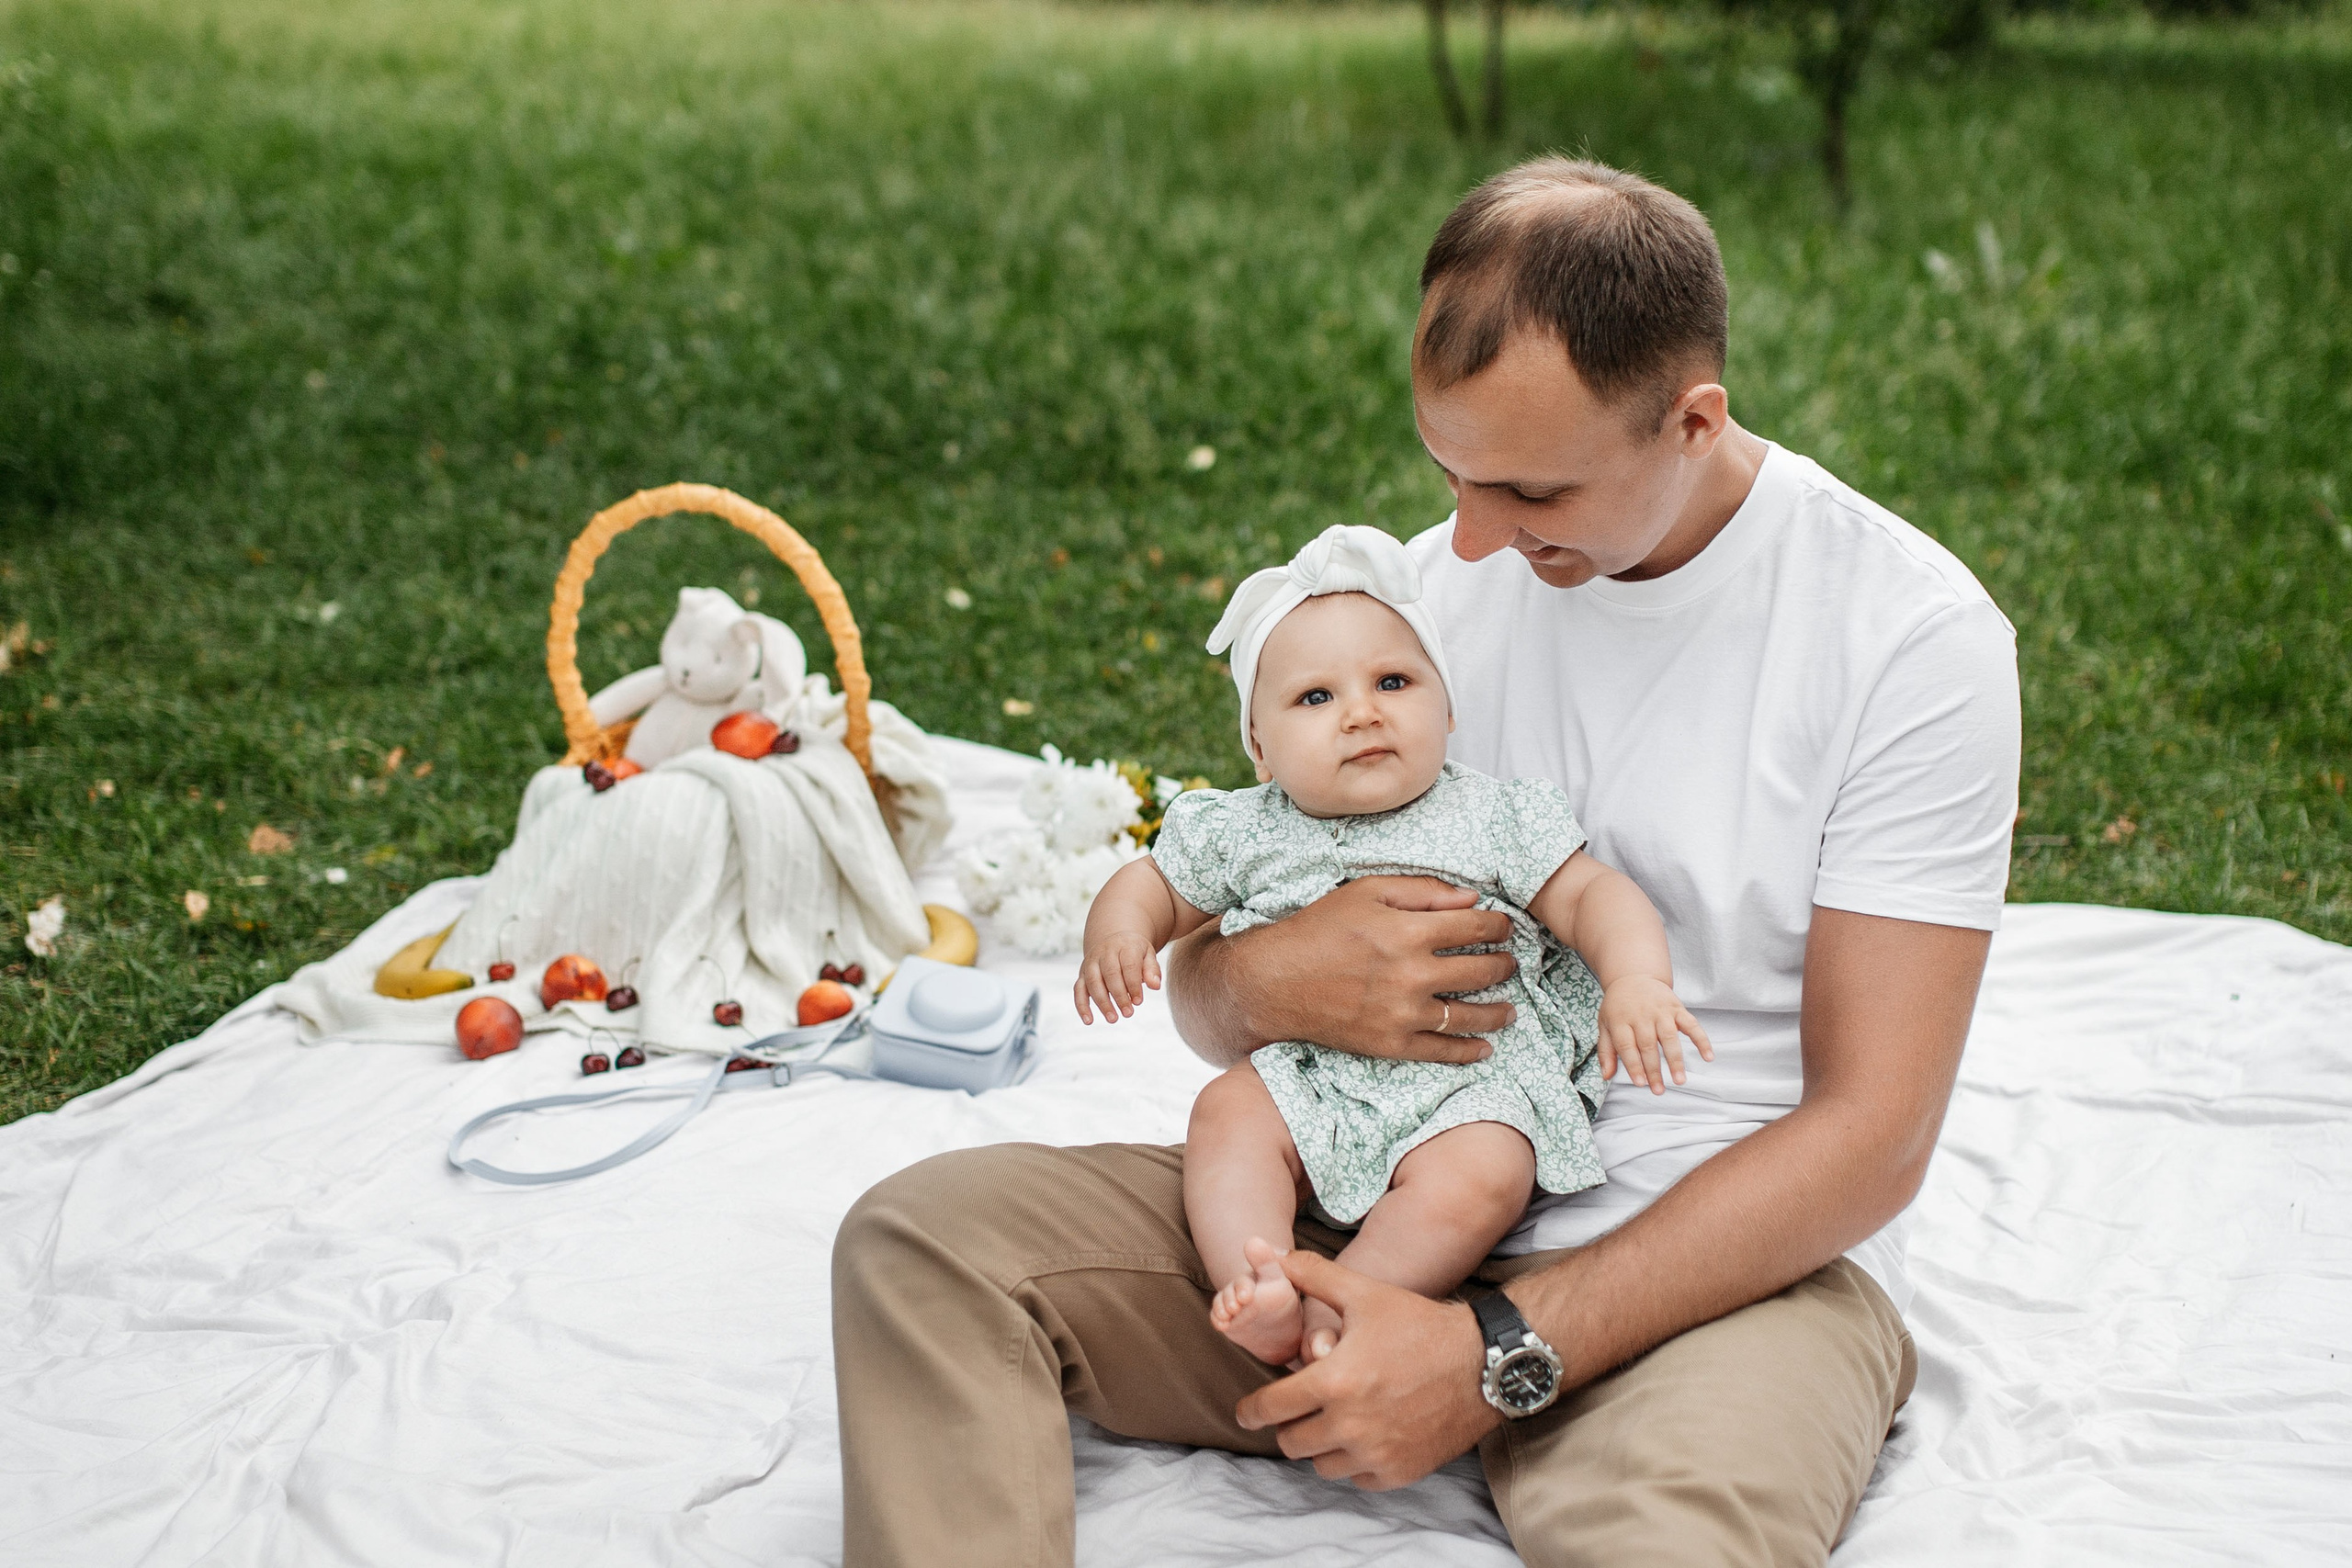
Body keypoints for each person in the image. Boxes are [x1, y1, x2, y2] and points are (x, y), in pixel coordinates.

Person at [831, 155, 2019, 1566]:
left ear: (1693, 420)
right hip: (1357, 1193)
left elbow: (1873, 1131)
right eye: (1447, 471)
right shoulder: (1418, 610)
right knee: (925, 1245)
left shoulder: (1906, 638)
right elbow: (1211, 983)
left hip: (1710, 1283)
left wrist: (1488, 1346)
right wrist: (1271, 978)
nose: (1467, 538)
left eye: (1527, 487)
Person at [1073, 523, 1709, 1370]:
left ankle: (1349, 1302)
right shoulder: (1245, 829)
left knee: (1486, 1173)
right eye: (1315, 698)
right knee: (1226, 1114)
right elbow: (1151, 883)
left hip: (1467, 1077)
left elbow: (1593, 894)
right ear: (1260, 750)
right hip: (1313, 1068)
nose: (1362, 712)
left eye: (1393, 681)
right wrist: (1119, 932)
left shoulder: (1490, 815)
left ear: (1445, 710)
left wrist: (1637, 979)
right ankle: (1258, 1280)